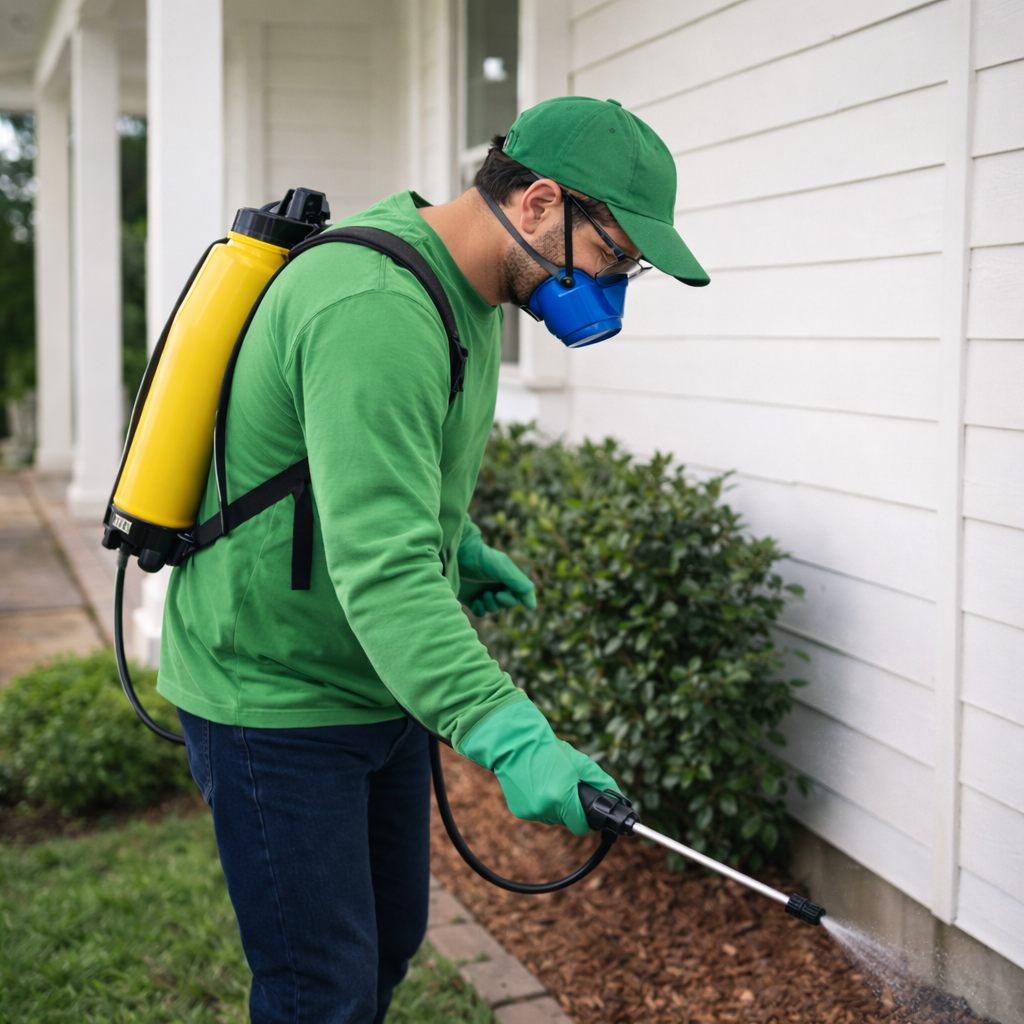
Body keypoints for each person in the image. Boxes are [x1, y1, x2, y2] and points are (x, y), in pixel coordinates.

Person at [156, 95, 708, 1024]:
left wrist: (462, 545)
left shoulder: (472, 292)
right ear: (539, 203)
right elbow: (384, 572)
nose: (612, 285)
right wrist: (513, 736)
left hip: (373, 679)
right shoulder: (376, 307)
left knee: (389, 943)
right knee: (320, 991)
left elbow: (375, 476)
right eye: (613, 255)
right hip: (274, 690)